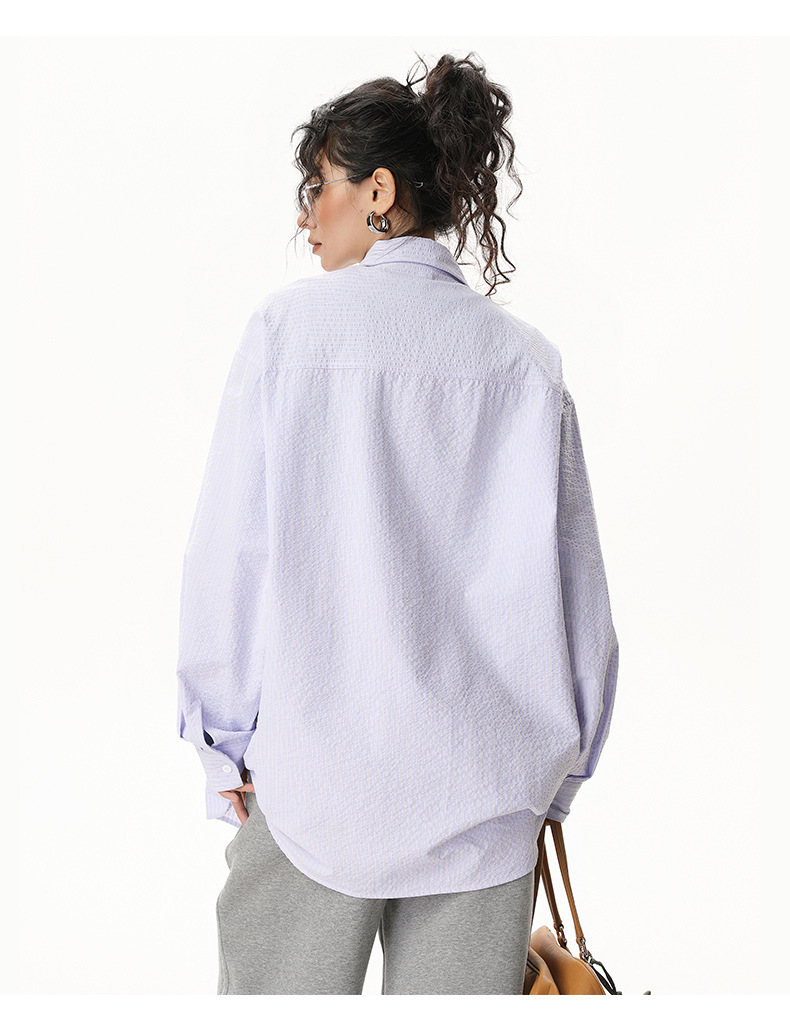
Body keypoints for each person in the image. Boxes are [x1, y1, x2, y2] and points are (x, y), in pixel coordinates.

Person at [176, 51, 619, 995]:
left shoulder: (287, 336)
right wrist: (559, 780)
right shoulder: (527, 366)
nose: (307, 215)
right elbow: (581, 605)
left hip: (313, 789)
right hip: (483, 807)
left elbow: (231, 562)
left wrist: (222, 744)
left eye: (319, 187)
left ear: (378, 192)